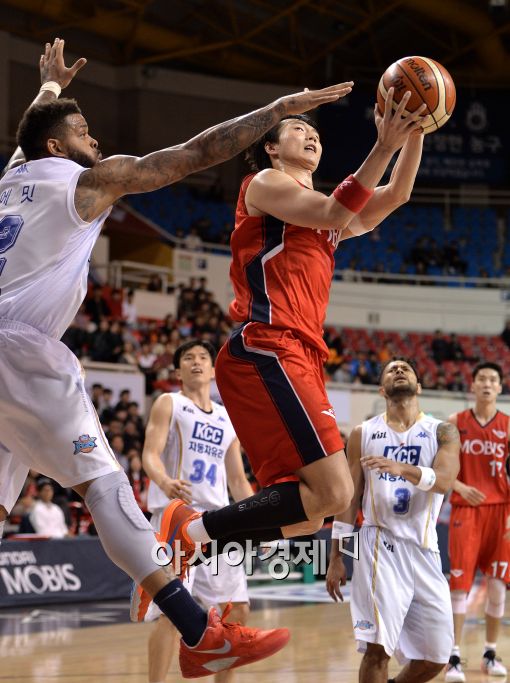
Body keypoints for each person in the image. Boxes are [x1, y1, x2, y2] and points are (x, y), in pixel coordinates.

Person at [0, 38, 347, 677]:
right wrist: (277, 109)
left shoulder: (14, 175)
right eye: (82, 131)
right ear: (60, 148)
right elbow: (190, 156)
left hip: (7, 359)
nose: (95, 140)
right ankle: (198, 630)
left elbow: (30, 137)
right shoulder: (88, 181)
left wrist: (48, 89)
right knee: (102, 485)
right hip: (19, 349)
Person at [156, 85, 429, 576]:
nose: (309, 135)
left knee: (310, 514)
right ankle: (190, 532)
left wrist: (416, 130)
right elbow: (334, 211)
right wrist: (383, 145)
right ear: (271, 147)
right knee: (337, 490)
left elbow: (398, 194)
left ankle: (191, 547)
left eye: (315, 133)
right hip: (266, 345)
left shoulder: (326, 220)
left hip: (299, 354)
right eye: (298, 129)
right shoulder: (264, 184)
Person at [326, 358, 460, 683]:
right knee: (377, 650)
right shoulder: (363, 432)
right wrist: (336, 558)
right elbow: (348, 500)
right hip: (378, 546)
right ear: (382, 389)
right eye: (391, 369)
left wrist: (403, 469)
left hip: (425, 551)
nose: (399, 370)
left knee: (435, 658)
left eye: (406, 368)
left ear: (420, 386)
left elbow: (444, 480)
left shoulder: (443, 430)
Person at [132, 339, 252, 683]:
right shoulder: (169, 402)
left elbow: (238, 480)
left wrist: (262, 523)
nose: (197, 362)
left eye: (203, 357)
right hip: (177, 515)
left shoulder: (228, 419)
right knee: (172, 613)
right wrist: (165, 481)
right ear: (178, 370)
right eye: (188, 357)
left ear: (213, 370)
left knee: (236, 609)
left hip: (218, 519)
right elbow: (149, 454)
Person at [445, 362, 510, 681]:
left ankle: (489, 653)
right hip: (465, 511)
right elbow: (438, 467)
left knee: (498, 586)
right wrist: (457, 486)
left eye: (493, 379)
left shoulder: (508, 426)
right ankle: (453, 656)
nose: (487, 383)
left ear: (500, 387)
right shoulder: (454, 423)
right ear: (472, 385)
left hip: (500, 513)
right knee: (459, 586)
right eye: (482, 378)